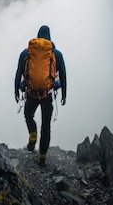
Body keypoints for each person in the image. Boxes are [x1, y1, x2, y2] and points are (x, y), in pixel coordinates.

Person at [14, 25, 67, 167]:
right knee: (46, 126)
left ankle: (32, 136)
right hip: (47, 95)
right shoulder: (57, 54)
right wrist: (64, 94)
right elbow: (63, 75)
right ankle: (42, 157)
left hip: (31, 93)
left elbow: (19, 73)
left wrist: (16, 91)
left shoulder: (27, 53)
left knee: (28, 115)